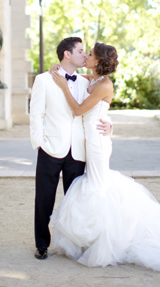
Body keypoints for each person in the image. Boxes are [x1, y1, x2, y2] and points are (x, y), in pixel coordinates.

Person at [49, 42, 160, 273]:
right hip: (89, 141)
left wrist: (62, 86)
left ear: (98, 61)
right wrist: (61, 73)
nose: (87, 57)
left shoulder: (104, 85)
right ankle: (92, 238)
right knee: (95, 186)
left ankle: (107, 239)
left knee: (98, 187)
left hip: (98, 144)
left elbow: (79, 110)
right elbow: (77, 78)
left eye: (90, 55)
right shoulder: (95, 80)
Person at [29, 37, 111, 260]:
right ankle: (42, 245)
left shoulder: (88, 82)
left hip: (79, 151)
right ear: (67, 54)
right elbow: (36, 114)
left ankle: (75, 245)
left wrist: (109, 124)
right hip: (50, 148)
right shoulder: (44, 80)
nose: (85, 55)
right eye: (81, 51)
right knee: (43, 199)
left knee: (76, 201)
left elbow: (100, 108)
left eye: (87, 52)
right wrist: (38, 142)